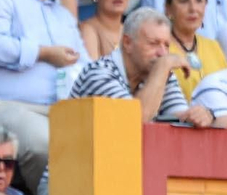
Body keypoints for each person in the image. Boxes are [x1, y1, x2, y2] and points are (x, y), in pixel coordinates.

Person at [0, 0, 84, 195]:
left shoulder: (64, 16)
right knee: (44, 142)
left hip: (58, 111)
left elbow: (84, 64)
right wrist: (42, 53)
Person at [70, 8, 214, 128]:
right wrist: (162, 68)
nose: (162, 53)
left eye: (166, 45)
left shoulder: (160, 73)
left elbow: (181, 119)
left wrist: (198, 116)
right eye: (153, 43)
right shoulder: (99, 73)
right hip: (79, 160)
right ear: (127, 43)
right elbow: (133, 122)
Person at [163, 0, 227, 98]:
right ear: (168, 9)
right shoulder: (160, 48)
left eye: (199, 0)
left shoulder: (213, 46)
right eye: (184, 1)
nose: (193, 8)